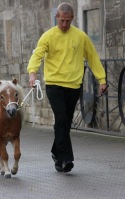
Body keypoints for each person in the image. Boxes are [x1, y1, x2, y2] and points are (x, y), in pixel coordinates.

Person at [27, 2, 108, 173]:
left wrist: (102, 80)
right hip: (54, 85)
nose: (64, 24)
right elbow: (37, 55)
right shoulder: (48, 36)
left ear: (72, 19)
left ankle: (56, 153)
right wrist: (32, 74)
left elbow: (93, 58)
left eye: (67, 21)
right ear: (57, 17)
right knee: (61, 117)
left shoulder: (80, 37)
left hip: (74, 85)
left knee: (65, 122)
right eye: (62, 20)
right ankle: (66, 159)